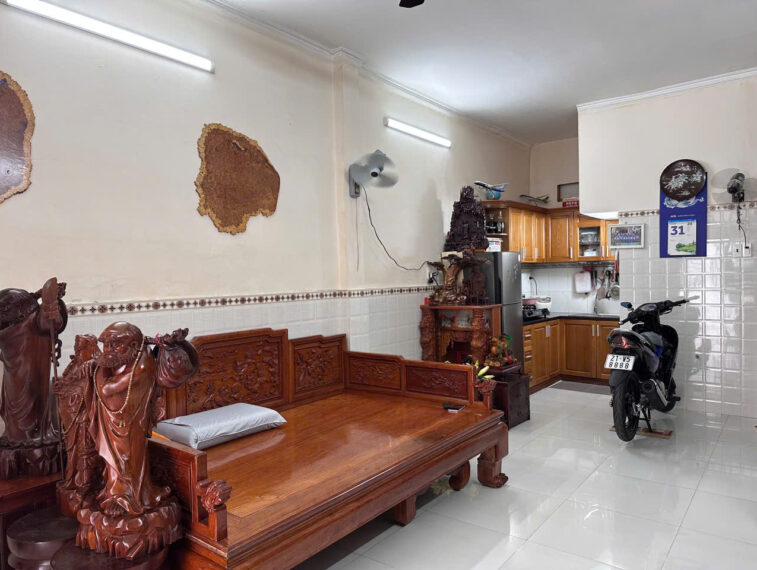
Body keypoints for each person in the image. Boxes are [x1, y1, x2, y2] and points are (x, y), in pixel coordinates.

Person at [0, 277, 66, 478]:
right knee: (15, 412)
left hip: (33, 375)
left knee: (33, 409)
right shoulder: (8, 329)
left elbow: (54, 322)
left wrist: (51, 302)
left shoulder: (35, 321)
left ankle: (35, 438)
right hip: (14, 377)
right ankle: (18, 439)